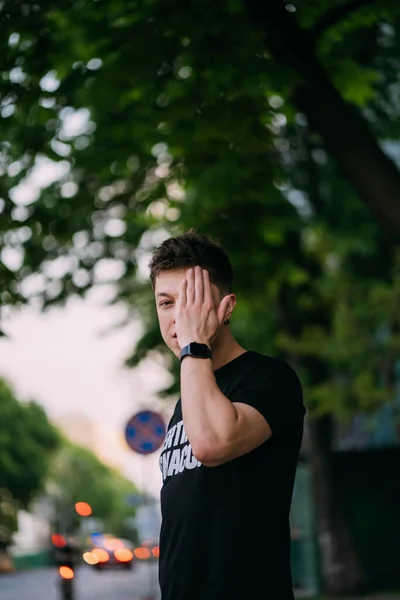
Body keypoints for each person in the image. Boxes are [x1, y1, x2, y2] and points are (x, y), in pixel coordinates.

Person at [150, 229, 306, 600]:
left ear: (227, 307)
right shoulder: (189, 394)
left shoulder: (269, 378)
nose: (178, 317)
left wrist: (194, 347)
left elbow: (212, 443)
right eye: (166, 303)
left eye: (191, 300)